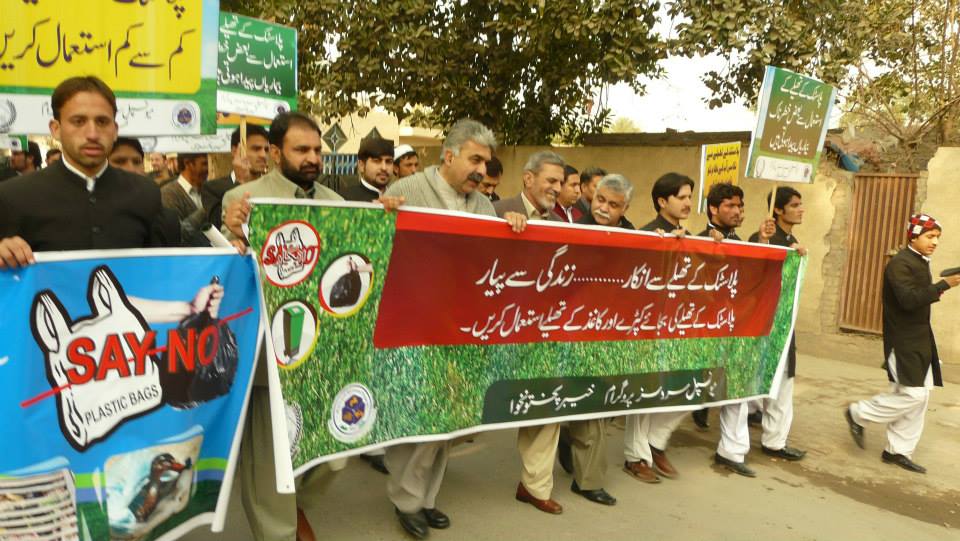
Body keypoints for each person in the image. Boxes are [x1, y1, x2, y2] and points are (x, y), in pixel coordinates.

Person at [221, 111, 402, 541]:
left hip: (323, 351)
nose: (313, 158)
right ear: (275, 152)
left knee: (335, 452)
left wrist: (382, 221)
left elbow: (359, 263)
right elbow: (222, 271)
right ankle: (279, 531)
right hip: (269, 355)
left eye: (317, 150)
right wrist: (232, 235)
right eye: (301, 149)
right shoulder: (243, 200)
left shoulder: (334, 202)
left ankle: (295, 502)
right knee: (269, 462)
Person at [383, 118, 525, 539]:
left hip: (462, 330)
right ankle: (406, 500)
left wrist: (511, 227)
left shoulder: (482, 205)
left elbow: (492, 260)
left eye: (485, 162)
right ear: (449, 155)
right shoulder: (408, 191)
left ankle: (427, 498)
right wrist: (382, 213)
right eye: (474, 160)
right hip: (413, 326)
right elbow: (380, 246)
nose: (481, 170)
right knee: (416, 416)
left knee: (449, 418)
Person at [0, 76, 166, 268]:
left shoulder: (146, 193)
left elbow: (161, 270)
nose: (92, 134)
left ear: (115, 130)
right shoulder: (12, 196)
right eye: (78, 121)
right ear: (56, 129)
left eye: (102, 122)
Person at [845, 214, 960, 473]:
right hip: (903, 340)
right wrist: (942, 285)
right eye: (930, 236)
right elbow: (908, 300)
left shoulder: (918, 261)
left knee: (919, 397)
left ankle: (897, 451)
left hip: (920, 339)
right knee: (913, 394)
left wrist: (941, 285)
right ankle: (858, 413)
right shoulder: (900, 263)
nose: (935, 242)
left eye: (937, 237)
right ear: (914, 236)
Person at [692, 182, 777, 477]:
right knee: (684, 394)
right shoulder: (698, 241)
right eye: (730, 205)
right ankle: (647, 449)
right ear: (713, 209)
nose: (737, 211)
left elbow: (753, 278)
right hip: (703, 332)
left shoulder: (739, 241)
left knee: (737, 389)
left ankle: (731, 451)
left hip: (735, 327)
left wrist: (763, 241)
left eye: (740, 206)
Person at [621, 172, 694, 484]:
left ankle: (656, 442)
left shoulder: (689, 236)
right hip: (648, 326)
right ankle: (636, 457)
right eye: (682, 197)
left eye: (690, 197)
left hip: (681, 325)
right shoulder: (649, 234)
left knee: (694, 388)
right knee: (645, 391)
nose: (688, 203)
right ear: (663, 201)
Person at [745, 187, 808, 462]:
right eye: (794, 205)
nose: (801, 209)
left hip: (782, 323)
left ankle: (775, 440)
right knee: (768, 380)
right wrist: (766, 242)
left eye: (800, 204)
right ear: (778, 210)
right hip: (765, 323)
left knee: (782, 382)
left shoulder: (792, 240)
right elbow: (756, 271)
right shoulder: (765, 238)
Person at [201, 125, 270, 230]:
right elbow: (218, 226)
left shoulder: (272, 187)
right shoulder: (213, 188)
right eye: (256, 149)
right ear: (235, 151)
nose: (263, 155)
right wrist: (241, 181)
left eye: (266, 149)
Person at [339, 136, 394, 201]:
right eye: (377, 161)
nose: (384, 168)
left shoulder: (400, 197)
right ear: (361, 165)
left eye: (388, 161)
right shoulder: (343, 199)